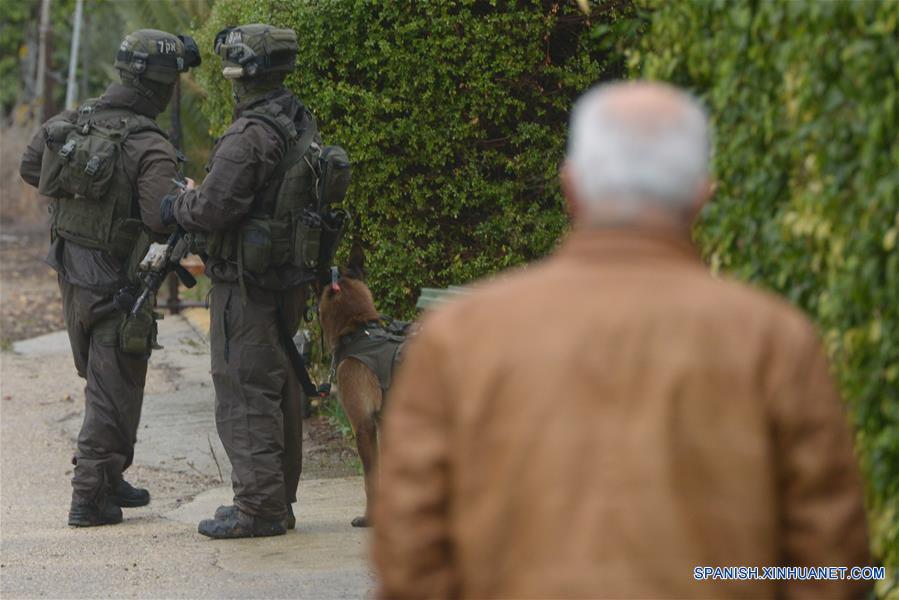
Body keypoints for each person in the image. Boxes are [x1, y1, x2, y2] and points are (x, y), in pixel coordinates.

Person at [373, 82, 871, 598]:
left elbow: (409, 558)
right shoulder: (775, 341)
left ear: (572, 187)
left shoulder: (458, 338)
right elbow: (832, 566)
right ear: (702, 195)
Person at [19, 30, 200, 527]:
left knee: (107, 380)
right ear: (161, 87)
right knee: (112, 385)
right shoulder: (148, 144)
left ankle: (111, 474)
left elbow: (32, 165)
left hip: (72, 273)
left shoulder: (74, 120)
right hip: (120, 282)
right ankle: (90, 495)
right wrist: (186, 194)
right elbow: (161, 217)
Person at [160, 24, 322, 539]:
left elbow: (214, 207)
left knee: (244, 390)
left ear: (242, 72)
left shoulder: (251, 132)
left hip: (248, 287)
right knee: (277, 390)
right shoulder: (296, 119)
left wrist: (176, 203)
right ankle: (274, 500)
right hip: (282, 281)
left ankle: (260, 508)